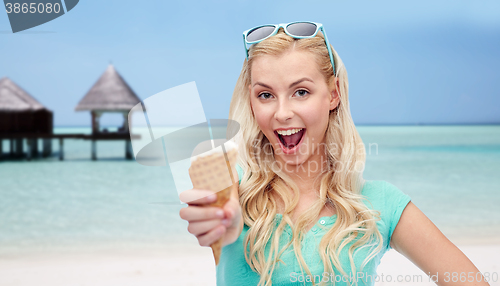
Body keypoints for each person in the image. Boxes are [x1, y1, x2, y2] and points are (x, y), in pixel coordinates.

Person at [179, 22, 489, 286]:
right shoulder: (229, 180)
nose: (282, 113)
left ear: (333, 94)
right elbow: (221, 205)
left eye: (301, 92)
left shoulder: (381, 204)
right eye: (266, 95)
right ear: (251, 102)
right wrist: (226, 219)